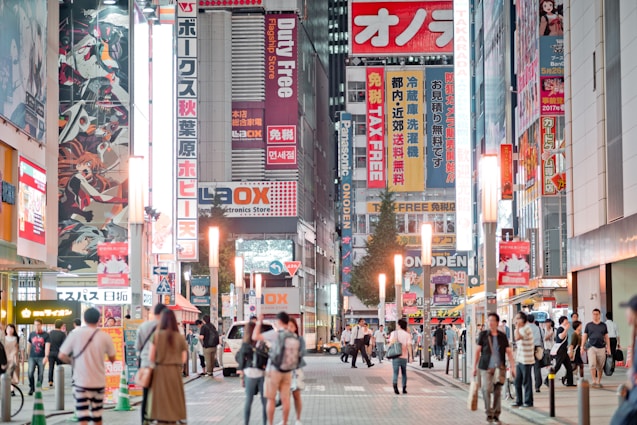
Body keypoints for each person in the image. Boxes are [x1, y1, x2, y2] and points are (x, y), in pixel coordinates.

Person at [58, 307, 116, 425]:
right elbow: (113, 358)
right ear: (99, 320)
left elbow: (62, 355)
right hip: (98, 383)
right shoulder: (105, 336)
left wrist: (73, 362)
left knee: (83, 417)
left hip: (81, 383)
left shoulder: (75, 334)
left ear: (84, 319)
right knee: (97, 416)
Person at [253, 312, 299, 425]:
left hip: (273, 370)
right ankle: (284, 422)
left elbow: (255, 336)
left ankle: (271, 423)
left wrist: (259, 322)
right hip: (287, 371)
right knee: (285, 399)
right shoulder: (293, 336)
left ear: (278, 322)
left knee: (271, 399)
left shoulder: (275, 334)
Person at [146, 309, 187, 424]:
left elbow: (151, 357)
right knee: (174, 400)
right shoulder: (179, 337)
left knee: (161, 401)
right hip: (174, 372)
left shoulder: (156, 336)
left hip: (160, 372)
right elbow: (183, 358)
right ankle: (173, 420)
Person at [473, 313, 516, 423]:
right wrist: (474, 367)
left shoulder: (502, 336)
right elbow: (478, 351)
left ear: (497, 322)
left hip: (499, 367)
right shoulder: (483, 335)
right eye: (489, 320)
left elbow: (509, 352)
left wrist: (513, 366)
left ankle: (496, 414)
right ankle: (489, 412)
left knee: (497, 391)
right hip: (485, 367)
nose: (490, 322)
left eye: (493, 320)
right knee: (486, 389)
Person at [135, 303, 167, 423]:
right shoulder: (168, 328)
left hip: (146, 365)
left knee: (146, 394)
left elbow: (137, 346)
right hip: (163, 367)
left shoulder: (144, 327)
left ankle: (145, 420)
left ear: (154, 313)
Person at [236, 321, 267, 425]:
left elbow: (241, 359)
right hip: (261, 374)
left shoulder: (245, 344)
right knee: (264, 402)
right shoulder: (261, 342)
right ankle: (265, 423)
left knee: (249, 401)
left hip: (249, 374)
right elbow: (267, 357)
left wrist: (241, 374)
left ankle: (246, 423)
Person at [581, 308, 611, 388]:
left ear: (599, 315)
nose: (595, 316)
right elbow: (584, 336)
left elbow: (606, 337)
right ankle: (594, 381)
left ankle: (598, 381)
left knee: (600, 366)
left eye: (597, 314)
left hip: (601, 347)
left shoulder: (603, 325)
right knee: (592, 364)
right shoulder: (588, 325)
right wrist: (582, 346)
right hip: (591, 347)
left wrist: (608, 348)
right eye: (593, 314)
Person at [513, 311, 535, 408]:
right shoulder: (520, 328)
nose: (516, 320)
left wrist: (517, 327)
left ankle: (528, 401)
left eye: (518, 318)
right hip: (520, 359)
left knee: (526, 381)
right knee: (517, 381)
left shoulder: (526, 328)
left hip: (526, 359)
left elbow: (517, 337)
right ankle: (519, 400)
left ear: (523, 319)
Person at [288, 318, 306, 425]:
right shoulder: (282, 339)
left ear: (295, 327)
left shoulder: (299, 339)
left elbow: (302, 352)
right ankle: (285, 420)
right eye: (288, 326)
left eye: (292, 326)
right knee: (286, 396)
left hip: (296, 370)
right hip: (284, 371)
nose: (289, 328)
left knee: (296, 395)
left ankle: (298, 419)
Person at [27, 319, 50, 396]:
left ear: (41, 325)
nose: (36, 326)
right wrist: (28, 354)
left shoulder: (46, 335)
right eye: (35, 324)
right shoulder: (31, 334)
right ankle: (32, 387)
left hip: (41, 357)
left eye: (38, 324)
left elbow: (47, 346)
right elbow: (29, 344)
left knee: (40, 374)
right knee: (30, 373)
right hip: (32, 356)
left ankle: (38, 388)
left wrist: (46, 356)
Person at [552, 316, 576, 387]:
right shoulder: (560, 328)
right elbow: (561, 337)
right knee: (557, 366)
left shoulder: (563, 328)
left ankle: (570, 382)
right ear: (562, 321)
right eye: (566, 320)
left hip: (564, 350)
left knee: (569, 366)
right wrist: (566, 329)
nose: (567, 321)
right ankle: (547, 380)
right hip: (560, 351)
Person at [389, 318, 410, 394]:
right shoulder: (407, 335)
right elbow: (409, 346)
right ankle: (404, 388)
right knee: (404, 373)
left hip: (396, 356)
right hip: (404, 356)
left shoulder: (394, 333)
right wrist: (411, 356)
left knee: (395, 373)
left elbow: (390, 343)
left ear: (399, 325)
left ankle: (395, 387)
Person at [527, 314, 544, 393]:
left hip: (528, 349)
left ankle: (528, 386)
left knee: (527, 369)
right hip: (537, 349)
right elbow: (542, 338)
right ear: (533, 320)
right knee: (537, 368)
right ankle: (537, 386)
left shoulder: (525, 329)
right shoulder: (539, 328)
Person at [48, 319, 67, 388]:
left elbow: (48, 343)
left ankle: (50, 381)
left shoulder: (50, 333)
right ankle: (59, 380)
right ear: (61, 325)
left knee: (51, 367)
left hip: (51, 352)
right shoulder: (62, 334)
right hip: (59, 353)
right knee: (59, 367)